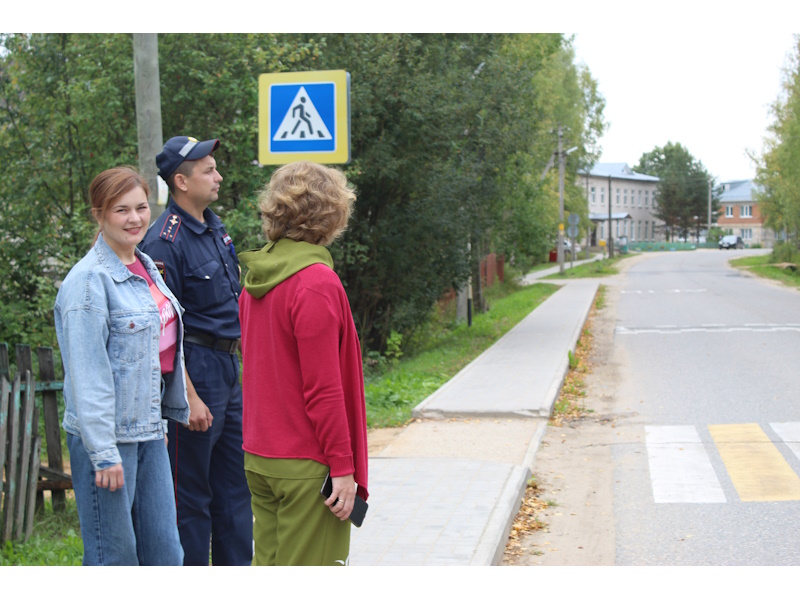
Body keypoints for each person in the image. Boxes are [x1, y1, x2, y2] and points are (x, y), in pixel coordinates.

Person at [54, 166, 189, 565]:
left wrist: (157, 421)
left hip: (148, 432)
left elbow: (152, 356)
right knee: (114, 558)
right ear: (99, 214)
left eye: (142, 207)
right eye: (121, 210)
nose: (135, 219)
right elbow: (87, 374)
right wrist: (103, 453)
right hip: (107, 439)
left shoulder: (145, 265)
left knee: (165, 554)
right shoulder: (88, 282)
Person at [238, 160, 369, 566]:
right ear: (331, 214)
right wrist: (343, 469)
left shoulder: (256, 280)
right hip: (306, 463)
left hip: (261, 457)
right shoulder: (315, 282)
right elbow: (323, 388)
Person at [139, 136, 253, 566]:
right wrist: (186, 393)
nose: (218, 175)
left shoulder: (214, 228)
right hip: (196, 372)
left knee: (234, 492)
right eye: (208, 170)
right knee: (192, 499)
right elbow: (165, 330)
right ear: (181, 182)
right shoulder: (164, 242)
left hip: (227, 368)